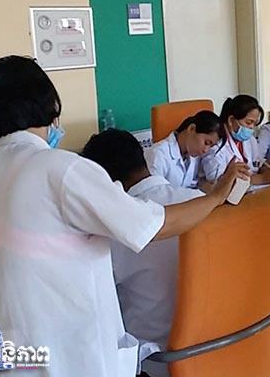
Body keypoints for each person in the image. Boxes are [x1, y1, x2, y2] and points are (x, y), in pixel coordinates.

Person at [0, 55, 245, 377]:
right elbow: (153, 226)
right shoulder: (60, 169)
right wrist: (216, 196)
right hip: (61, 359)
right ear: (45, 105)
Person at [82, 129, 231, 377]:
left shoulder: (115, 233)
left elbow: (96, 301)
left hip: (158, 356)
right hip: (218, 343)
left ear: (104, 181)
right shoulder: (200, 202)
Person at [202, 95, 270, 186]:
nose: (252, 128)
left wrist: (266, 169)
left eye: (254, 124)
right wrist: (261, 179)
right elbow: (216, 180)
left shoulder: (249, 140)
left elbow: (256, 164)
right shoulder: (215, 145)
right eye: (249, 122)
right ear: (231, 120)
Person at [145, 110, 224, 189]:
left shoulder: (193, 155)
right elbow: (154, 193)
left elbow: (193, 185)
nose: (206, 150)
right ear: (191, 128)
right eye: (206, 143)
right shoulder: (158, 154)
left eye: (211, 146)